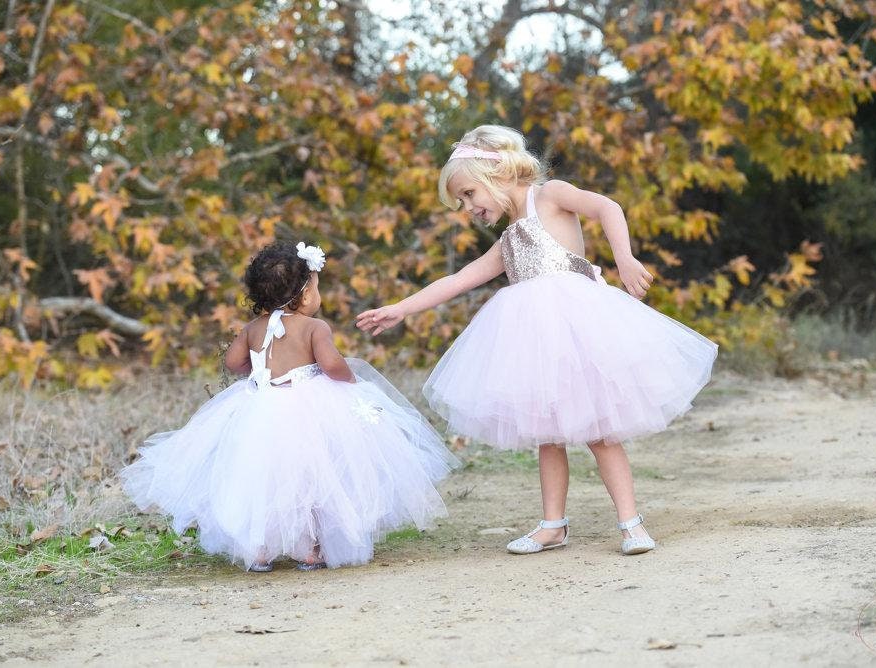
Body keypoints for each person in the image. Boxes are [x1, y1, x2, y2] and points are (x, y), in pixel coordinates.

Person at [356, 125, 717, 556]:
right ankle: (552, 525)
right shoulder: (508, 240)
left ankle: (630, 523)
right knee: (549, 433)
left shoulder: (550, 195)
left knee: (600, 431)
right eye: (462, 201)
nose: (468, 207)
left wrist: (624, 256)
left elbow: (607, 206)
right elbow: (458, 278)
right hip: (535, 342)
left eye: (470, 193)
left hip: (581, 327)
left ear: (497, 173)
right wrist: (402, 308)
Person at [122, 241, 459, 571]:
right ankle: (309, 549)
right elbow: (331, 364)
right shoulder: (315, 327)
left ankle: (260, 550)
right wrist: (350, 381)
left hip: (259, 411)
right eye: (316, 286)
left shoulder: (254, 328)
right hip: (307, 411)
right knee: (311, 478)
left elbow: (234, 361)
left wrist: (258, 373)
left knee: (263, 477)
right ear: (305, 294)